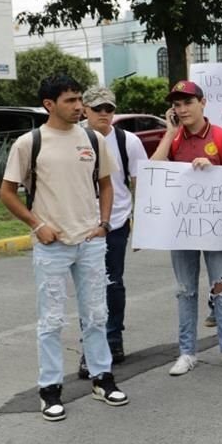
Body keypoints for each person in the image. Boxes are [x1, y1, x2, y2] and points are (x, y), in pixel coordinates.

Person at [0, 74, 128, 421]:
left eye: (78, 100)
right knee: (51, 320)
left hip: (90, 241)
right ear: (49, 105)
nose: (78, 107)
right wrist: (38, 225)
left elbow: (105, 184)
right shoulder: (30, 143)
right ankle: (50, 389)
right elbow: (7, 192)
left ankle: (103, 378)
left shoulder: (92, 139)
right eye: (70, 101)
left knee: (97, 315)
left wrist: (103, 224)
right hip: (52, 244)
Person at [151, 80, 222, 376]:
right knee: (185, 290)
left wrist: (215, 171)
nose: (182, 109)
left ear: (202, 103)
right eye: (177, 105)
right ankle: (186, 352)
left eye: (188, 103)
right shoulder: (175, 139)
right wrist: (169, 133)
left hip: (216, 227)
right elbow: (153, 170)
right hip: (182, 228)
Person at [77, 86, 148, 378]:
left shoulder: (127, 141)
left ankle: (113, 339)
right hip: (80, 225)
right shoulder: (74, 139)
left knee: (112, 283)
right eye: (98, 109)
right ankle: (91, 347)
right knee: (87, 287)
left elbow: (140, 183)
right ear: (85, 110)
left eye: (109, 109)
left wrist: (143, 225)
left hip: (115, 223)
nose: (104, 114)